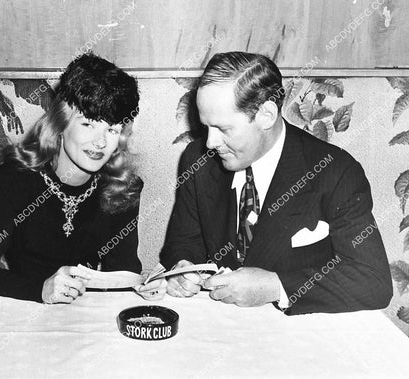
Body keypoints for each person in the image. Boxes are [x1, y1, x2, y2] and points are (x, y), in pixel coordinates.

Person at [160, 51, 392, 314]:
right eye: (206, 127)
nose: (211, 143)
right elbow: (183, 243)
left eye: (223, 129)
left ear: (267, 115)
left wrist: (276, 286)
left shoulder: (335, 172)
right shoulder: (197, 160)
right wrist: (181, 269)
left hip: (300, 335)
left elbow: (374, 281)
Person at [0, 53, 166, 303]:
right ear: (62, 121)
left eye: (111, 129)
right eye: (88, 124)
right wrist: (39, 289)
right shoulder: (17, 179)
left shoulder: (122, 187)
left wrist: (141, 287)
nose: (100, 142)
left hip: (86, 321)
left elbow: (122, 272)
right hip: (24, 314)